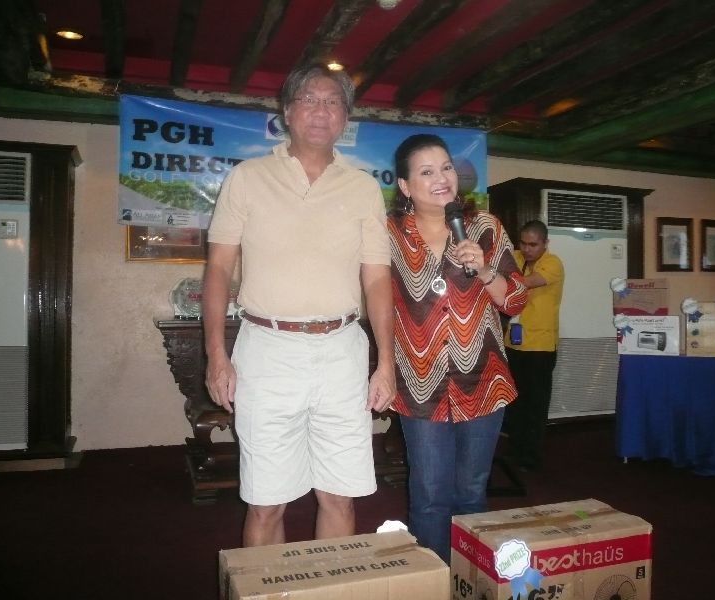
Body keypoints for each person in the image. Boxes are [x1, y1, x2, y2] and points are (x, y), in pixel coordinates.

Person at [202, 63, 396, 547]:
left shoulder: (363, 187)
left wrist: (386, 364)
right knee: (266, 502)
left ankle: (330, 583)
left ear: (345, 118)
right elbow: (219, 268)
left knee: (339, 497)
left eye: (332, 102)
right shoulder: (247, 177)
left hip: (342, 351)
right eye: (309, 99)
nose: (320, 111)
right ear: (287, 112)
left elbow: (377, 278)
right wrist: (216, 355)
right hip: (266, 350)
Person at [387, 134, 527, 563]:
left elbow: (516, 300)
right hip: (419, 384)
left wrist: (484, 270)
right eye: (427, 171)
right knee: (429, 495)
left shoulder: (484, 227)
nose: (442, 178)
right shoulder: (388, 233)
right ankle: (433, 582)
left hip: (483, 380)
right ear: (405, 185)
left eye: (446, 167)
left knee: (471, 492)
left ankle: (470, 580)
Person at [503, 220, 564, 471]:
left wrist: (497, 277)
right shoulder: (515, 256)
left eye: (533, 244)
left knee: (535, 404)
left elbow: (525, 283)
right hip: (513, 343)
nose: (527, 249)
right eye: (523, 243)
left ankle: (531, 457)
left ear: (545, 243)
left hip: (540, 346)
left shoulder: (553, 263)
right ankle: (515, 449)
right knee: (514, 402)